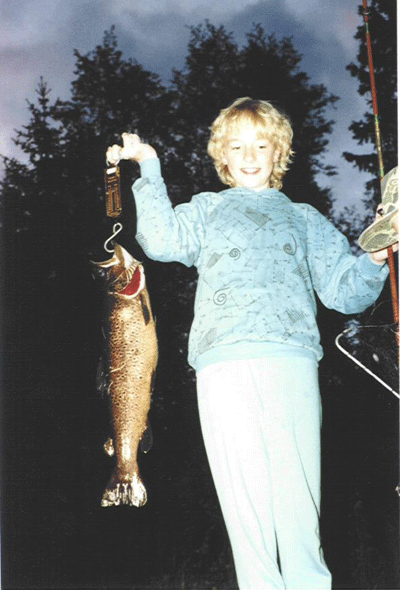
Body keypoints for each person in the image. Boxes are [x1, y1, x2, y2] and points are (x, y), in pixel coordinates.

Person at [106, 97, 393, 590]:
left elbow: (346, 291)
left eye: (262, 143)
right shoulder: (209, 209)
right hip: (222, 367)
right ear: (222, 154)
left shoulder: (303, 218)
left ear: (279, 152)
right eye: (237, 145)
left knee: (298, 501)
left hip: (292, 361)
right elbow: (160, 239)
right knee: (245, 506)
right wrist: (148, 166)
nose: (250, 154)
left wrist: (377, 258)